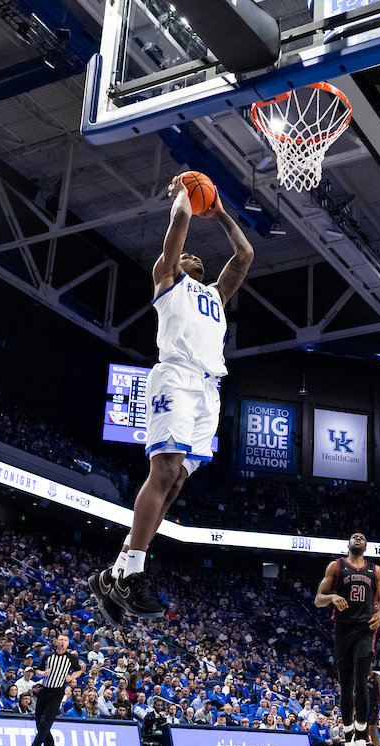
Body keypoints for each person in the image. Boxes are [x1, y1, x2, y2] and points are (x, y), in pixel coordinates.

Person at [88, 174, 254, 625]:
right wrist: (185, 190)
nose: (194, 255)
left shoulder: (217, 294)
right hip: (175, 378)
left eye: (198, 256)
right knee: (162, 470)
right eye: (187, 254)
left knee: (177, 481)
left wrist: (218, 211)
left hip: (207, 389)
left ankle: (116, 572)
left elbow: (245, 255)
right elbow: (180, 222)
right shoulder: (167, 278)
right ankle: (134, 573)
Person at [315, 533, 380, 746]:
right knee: (346, 687)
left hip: (365, 630)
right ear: (349, 545)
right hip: (343, 630)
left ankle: (361, 736)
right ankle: (347, 739)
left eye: (361, 536)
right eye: (353, 536)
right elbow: (318, 600)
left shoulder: (375, 570)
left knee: (361, 682)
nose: (357, 537)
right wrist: (333, 596)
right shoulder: (336, 566)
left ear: (366, 546)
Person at [21, 635, 83, 746]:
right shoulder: (48, 656)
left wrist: (71, 677)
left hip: (57, 693)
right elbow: (37, 671)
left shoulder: (71, 658)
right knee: (40, 723)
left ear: (67, 644)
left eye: (65, 640)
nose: (62, 642)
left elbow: (79, 670)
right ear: (56, 642)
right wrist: (43, 673)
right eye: (60, 639)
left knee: (44, 724)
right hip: (44, 691)